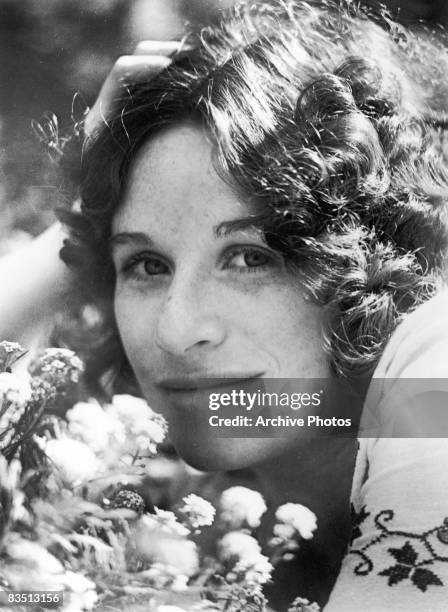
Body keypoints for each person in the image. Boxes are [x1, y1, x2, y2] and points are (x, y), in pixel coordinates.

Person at [2, 0, 448, 609]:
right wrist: (89, 210)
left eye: (251, 257)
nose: (177, 331)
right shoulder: (183, 502)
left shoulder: (437, 371)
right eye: (147, 265)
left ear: (369, 258)